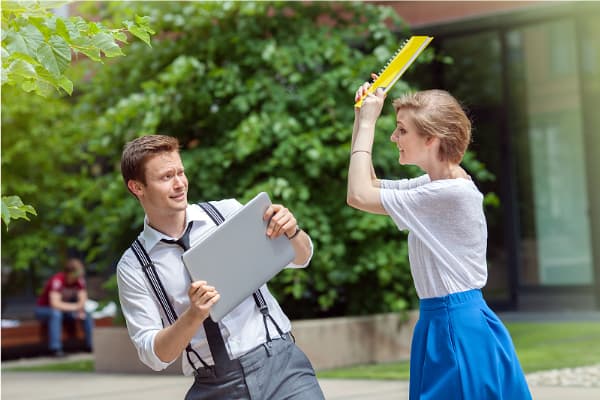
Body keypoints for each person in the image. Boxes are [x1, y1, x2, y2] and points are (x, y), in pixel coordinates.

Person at [346, 81, 532, 399]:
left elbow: (359, 195)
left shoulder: (447, 194)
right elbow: (370, 183)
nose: (394, 138)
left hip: (453, 325)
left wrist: (368, 123)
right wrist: (361, 118)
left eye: (402, 131)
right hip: (447, 321)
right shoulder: (436, 185)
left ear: (431, 138)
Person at [116, 134, 324, 400]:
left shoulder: (226, 213)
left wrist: (293, 232)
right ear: (137, 187)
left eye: (181, 172)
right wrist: (194, 315)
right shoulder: (134, 266)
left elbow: (301, 258)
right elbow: (155, 356)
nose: (180, 183)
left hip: (283, 367)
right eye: (166, 177)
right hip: (216, 388)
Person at [35, 257, 93, 357]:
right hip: (44, 310)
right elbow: (55, 304)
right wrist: (76, 307)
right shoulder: (57, 280)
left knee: (86, 314)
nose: (79, 276)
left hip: (65, 311)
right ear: (69, 273)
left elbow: (82, 301)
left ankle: (91, 345)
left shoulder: (79, 281)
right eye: (77, 273)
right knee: (56, 313)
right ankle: (55, 349)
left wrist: (79, 309)